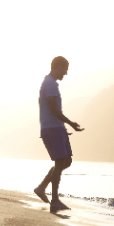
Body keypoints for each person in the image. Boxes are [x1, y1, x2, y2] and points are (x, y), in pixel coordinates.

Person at [34, 56, 84, 213]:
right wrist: (70, 123)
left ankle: (42, 188)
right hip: (52, 128)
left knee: (66, 161)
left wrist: (62, 128)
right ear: (58, 67)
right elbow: (54, 110)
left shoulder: (49, 83)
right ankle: (54, 200)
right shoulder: (50, 84)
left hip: (55, 128)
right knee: (60, 162)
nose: (66, 73)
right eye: (65, 69)